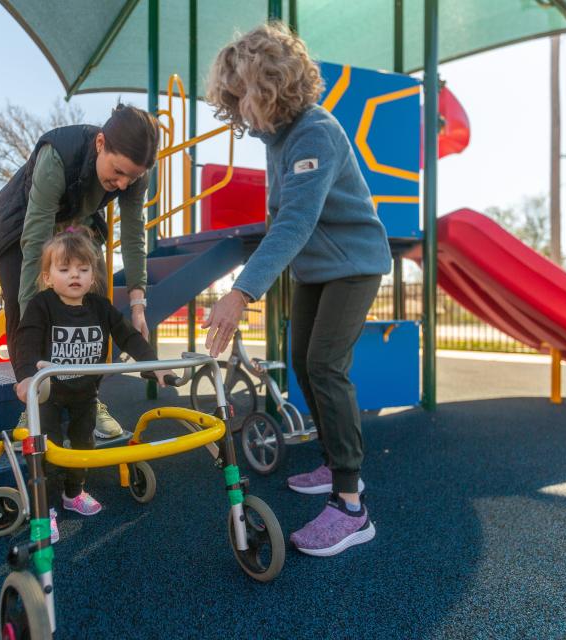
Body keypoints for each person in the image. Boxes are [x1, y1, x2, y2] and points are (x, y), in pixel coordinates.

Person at [203, 22, 391, 557]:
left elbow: (297, 221)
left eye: (243, 98)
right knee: (303, 362)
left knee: (327, 366)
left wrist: (241, 293)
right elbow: (281, 217)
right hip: (317, 270)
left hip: (353, 264)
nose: (238, 110)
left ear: (270, 88)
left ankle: (352, 508)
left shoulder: (315, 131)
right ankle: (334, 465)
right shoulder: (277, 138)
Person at [0, 104, 159, 439]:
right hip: (21, 220)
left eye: (132, 178)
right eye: (118, 172)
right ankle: (32, 401)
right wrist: (30, 322)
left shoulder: (136, 172)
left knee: (94, 296)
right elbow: (35, 241)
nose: (122, 184)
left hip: (76, 218)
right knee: (24, 305)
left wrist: (138, 307)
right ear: (100, 144)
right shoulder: (57, 157)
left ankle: (90, 399)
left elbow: (135, 234)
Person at [14, 230, 174, 529]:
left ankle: (73, 493)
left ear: (92, 276)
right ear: (48, 277)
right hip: (48, 393)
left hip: (85, 392)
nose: (75, 275)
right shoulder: (42, 305)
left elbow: (128, 336)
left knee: (84, 444)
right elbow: (26, 342)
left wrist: (155, 365)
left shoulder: (100, 307)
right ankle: (44, 508)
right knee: (46, 448)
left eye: (83, 269)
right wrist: (25, 378)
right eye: (65, 269)